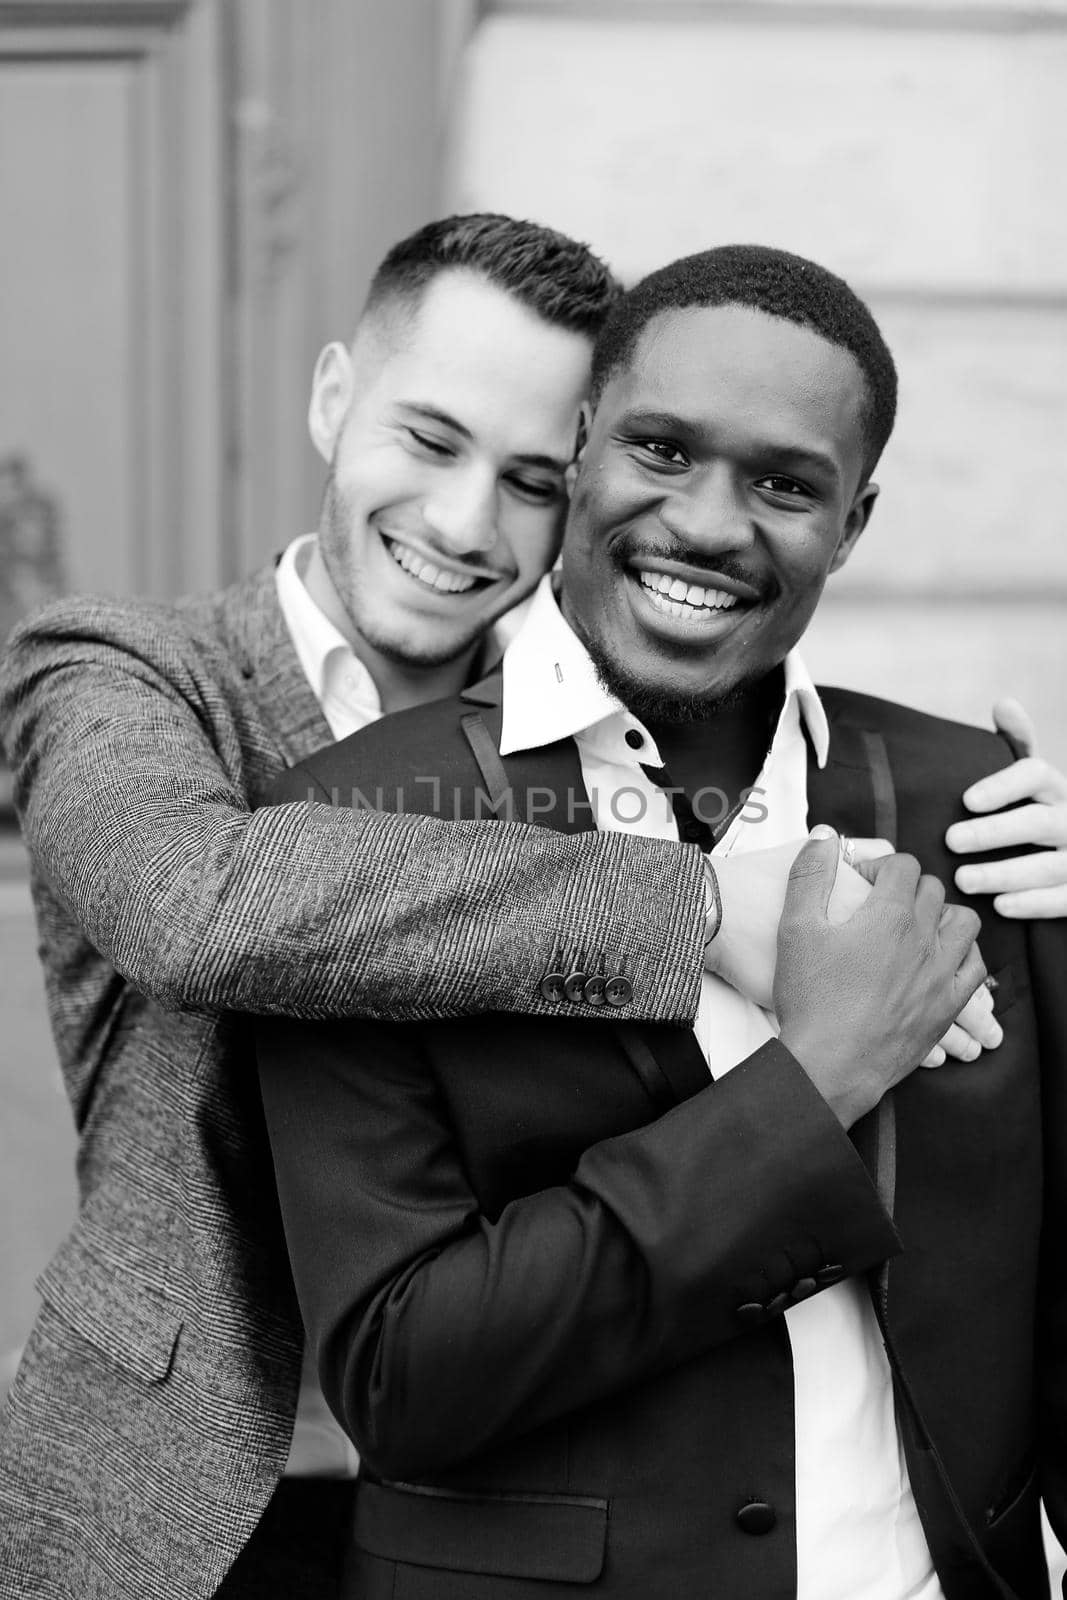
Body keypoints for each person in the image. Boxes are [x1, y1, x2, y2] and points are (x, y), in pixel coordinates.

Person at [0, 214, 1061, 1600]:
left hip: (524, 1492)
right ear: (333, 398)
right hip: (197, 1476)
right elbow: (193, 901)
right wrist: (700, 908)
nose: (459, 522)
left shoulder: (631, 714)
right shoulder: (130, 672)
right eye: (428, 441)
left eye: (531, 477)